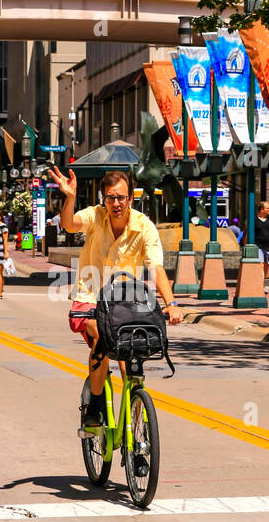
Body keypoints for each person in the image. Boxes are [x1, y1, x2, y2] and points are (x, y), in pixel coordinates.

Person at [49, 165, 183, 427]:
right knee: (101, 332)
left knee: (129, 348)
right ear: (104, 200)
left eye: (121, 197)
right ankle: (96, 405)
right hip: (90, 298)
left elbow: (156, 267)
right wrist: (70, 197)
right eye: (110, 197)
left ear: (131, 199)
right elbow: (68, 224)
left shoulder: (144, 227)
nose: (116, 203)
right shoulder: (95, 216)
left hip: (126, 299)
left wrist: (172, 304)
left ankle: (134, 422)